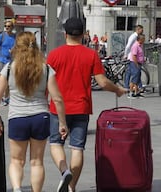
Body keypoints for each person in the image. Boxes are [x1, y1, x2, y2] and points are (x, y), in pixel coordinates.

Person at [46, 17, 127, 192]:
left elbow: (47, 82)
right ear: (83, 35)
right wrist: (118, 90)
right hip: (81, 108)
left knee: (55, 143)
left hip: (57, 108)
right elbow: (103, 82)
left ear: (65, 34)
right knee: (77, 148)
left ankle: (64, 171)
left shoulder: (54, 55)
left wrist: (45, 101)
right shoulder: (91, 55)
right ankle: (71, 187)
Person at [0, 31, 67, 192]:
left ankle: (17, 188)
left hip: (17, 118)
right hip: (41, 117)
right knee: (37, 162)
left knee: (16, 160)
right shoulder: (46, 68)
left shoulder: (9, 68)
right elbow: (58, 98)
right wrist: (62, 122)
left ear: (16, 48)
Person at [0, 20, 16, 106]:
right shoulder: (1, 36)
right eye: (6, 26)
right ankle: (1, 97)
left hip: (12, 60)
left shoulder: (15, 37)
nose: (7, 27)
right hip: (2, 60)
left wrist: (14, 51)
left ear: (12, 27)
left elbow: (18, 48)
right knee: (2, 80)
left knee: (8, 81)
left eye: (9, 26)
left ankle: (6, 97)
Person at [124, 25, 144, 89]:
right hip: (132, 56)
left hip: (133, 56)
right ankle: (131, 87)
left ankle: (135, 87)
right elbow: (128, 46)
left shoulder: (137, 37)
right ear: (138, 29)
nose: (142, 31)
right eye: (142, 30)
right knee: (135, 73)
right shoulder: (133, 37)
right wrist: (125, 55)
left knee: (131, 72)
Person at [127, 34, 146, 98]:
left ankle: (136, 92)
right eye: (143, 39)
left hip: (139, 63)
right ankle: (130, 92)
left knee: (137, 78)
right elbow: (134, 55)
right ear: (140, 39)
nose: (144, 40)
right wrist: (136, 64)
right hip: (135, 63)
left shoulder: (140, 46)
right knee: (134, 78)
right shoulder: (136, 46)